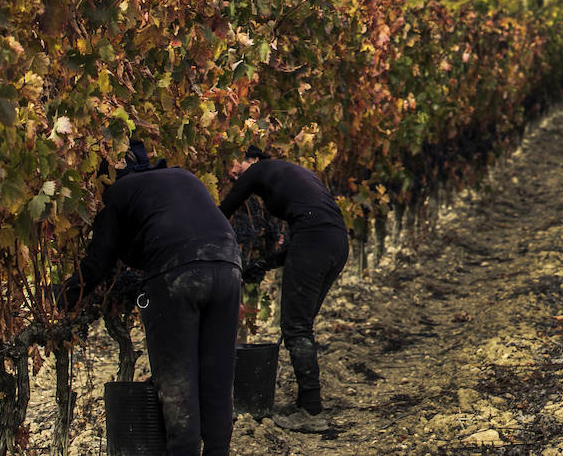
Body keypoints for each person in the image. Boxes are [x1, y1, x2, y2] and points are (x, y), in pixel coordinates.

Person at [60, 139, 241, 456]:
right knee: (217, 372)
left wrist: (63, 297)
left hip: (177, 275)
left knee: (177, 380)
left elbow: (97, 263)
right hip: (228, 267)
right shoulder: (182, 176)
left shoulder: (118, 194)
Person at [218, 147, 348, 432]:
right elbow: (309, 228)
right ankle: (306, 402)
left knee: (296, 327)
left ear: (252, 159)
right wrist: (266, 262)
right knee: (300, 324)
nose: (232, 172)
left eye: (234, 164)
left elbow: (223, 211)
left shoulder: (258, 170)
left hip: (315, 243)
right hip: (335, 242)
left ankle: (312, 411)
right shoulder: (288, 173)